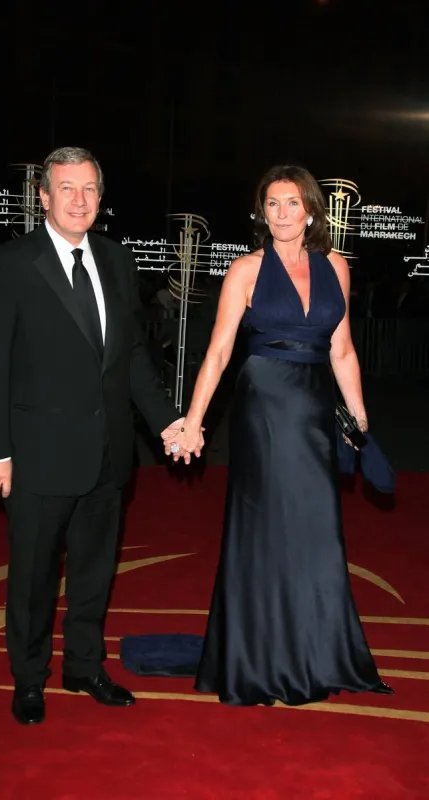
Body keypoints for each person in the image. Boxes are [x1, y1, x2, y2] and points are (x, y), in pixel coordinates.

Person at [0, 146, 185, 725]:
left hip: (110, 453)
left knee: (94, 573)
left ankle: (85, 666)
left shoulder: (117, 261)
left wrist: (167, 419)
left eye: (89, 188)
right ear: (43, 196)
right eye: (66, 188)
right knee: (35, 577)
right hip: (37, 455)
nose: (79, 200)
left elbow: (132, 358)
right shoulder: (10, 263)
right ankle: (29, 677)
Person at [167, 165, 393, 706]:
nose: (284, 213)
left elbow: (342, 348)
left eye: (293, 203)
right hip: (265, 402)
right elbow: (220, 351)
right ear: (261, 212)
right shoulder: (244, 270)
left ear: (311, 210)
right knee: (267, 526)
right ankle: (258, 657)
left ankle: (321, 652)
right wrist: (195, 420)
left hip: (316, 405)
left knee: (317, 528)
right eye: (273, 204)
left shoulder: (335, 266)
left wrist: (358, 417)